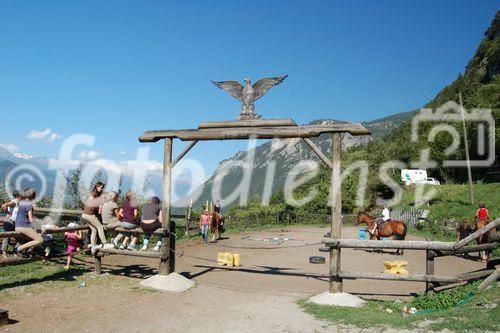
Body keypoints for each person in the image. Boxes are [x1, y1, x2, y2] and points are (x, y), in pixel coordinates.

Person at [81, 182, 113, 255]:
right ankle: (105, 244)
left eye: (103, 188)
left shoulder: (96, 195)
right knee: (100, 227)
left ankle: (93, 246)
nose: (102, 189)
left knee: (94, 229)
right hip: (89, 214)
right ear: (97, 187)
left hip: (84, 214)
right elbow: (91, 200)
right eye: (101, 187)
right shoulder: (93, 193)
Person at [14, 188, 43, 255]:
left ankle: (26, 250)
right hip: (24, 226)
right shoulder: (28, 204)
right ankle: (18, 249)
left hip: (17, 225)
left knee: (34, 237)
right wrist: (38, 226)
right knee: (40, 240)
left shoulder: (21, 202)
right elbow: (31, 219)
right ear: (32, 196)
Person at [1, 191, 21, 259]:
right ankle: (5, 254)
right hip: (10, 222)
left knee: (19, 236)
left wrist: (8, 213)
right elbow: (4, 205)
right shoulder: (14, 202)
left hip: (13, 222)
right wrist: (8, 214)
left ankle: (14, 253)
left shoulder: (17, 202)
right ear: (19, 196)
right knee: (8, 237)